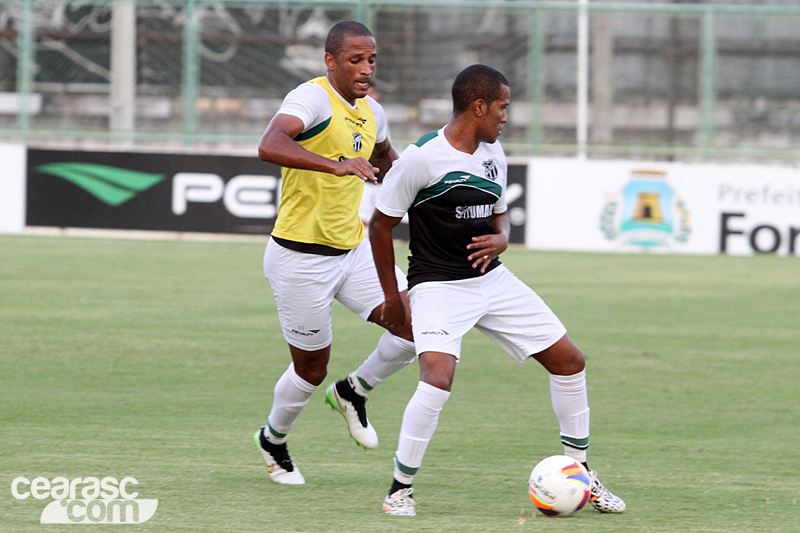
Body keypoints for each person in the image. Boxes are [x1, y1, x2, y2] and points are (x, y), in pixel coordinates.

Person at [369, 64, 626, 516]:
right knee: (437, 378)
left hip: (492, 280)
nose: (507, 117)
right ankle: (399, 491)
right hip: (438, 286)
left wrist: (503, 236)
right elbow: (381, 226)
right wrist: (394, 297)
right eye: (503, 107)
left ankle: (581, 475)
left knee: (570, 361)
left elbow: (500, 212)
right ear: (479, 106)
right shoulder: (420, 158)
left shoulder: (494, 152)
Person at [253, 20, 416, 485]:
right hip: (299, 259)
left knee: (415, 324)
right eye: (355, 60)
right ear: (330, 61)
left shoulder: (372, 111)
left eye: (372, 60)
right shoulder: (310, 98)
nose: (365, 69)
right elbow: (269, 144)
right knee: (311, 369)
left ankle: (354, 390)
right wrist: (336, 165)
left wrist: (421, 183)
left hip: (352, 250)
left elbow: (387, 160)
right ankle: (273, 438)